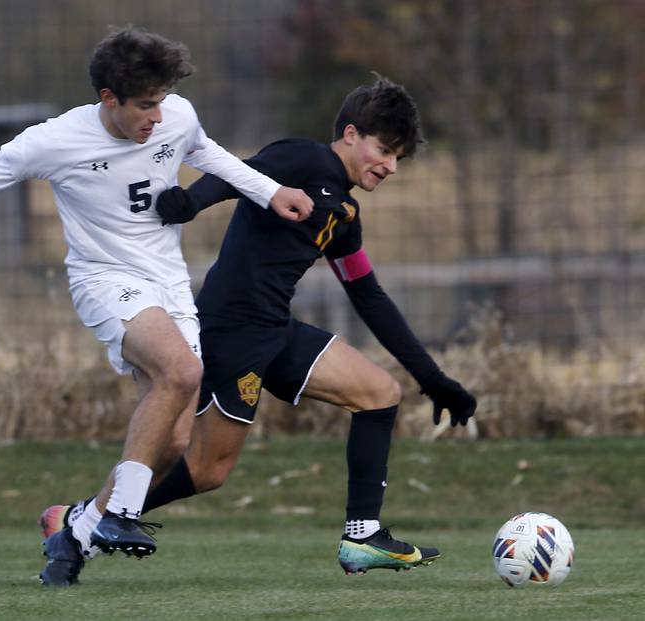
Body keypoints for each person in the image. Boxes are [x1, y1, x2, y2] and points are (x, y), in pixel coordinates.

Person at [0, 26, 313, 587]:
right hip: (104, 280)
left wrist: (271, 191)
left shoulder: (175, 115)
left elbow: (205, 151)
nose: (158, 115)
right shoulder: (51, 141)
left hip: (168, 283)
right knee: (183, 370)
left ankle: (74, 534)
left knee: (172, 444)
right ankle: (120, 515)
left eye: (162, 100)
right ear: (109, 98)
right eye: (145, 105)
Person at [41, 74, 477, 579]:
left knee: (379, 394)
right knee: (207, 471)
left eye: (399, 157)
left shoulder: (344, 213)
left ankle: (363, 539)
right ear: (351, 134)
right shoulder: (303, 158)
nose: (391, 166)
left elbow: (369, 297)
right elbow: (234, 173)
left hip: (275, 329)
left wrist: (432, 377)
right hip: (232, 331)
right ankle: (80, 522)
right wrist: (189, 203)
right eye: (385, 150)